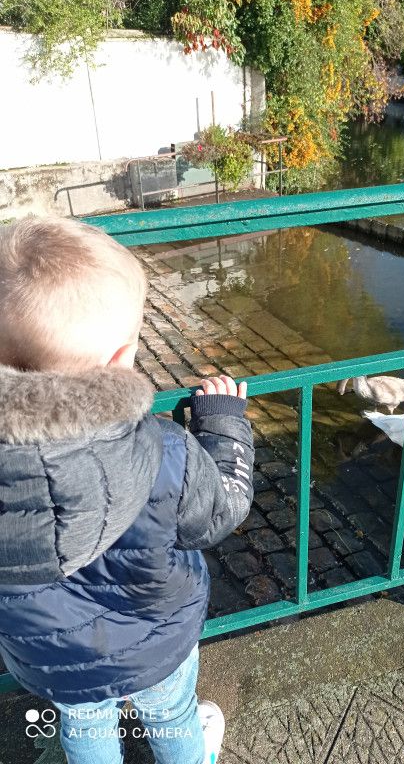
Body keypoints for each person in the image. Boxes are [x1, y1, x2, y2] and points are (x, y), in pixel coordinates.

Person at [0, 216, 255, 764]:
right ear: (120, 362)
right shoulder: (164, 450)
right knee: (170, 716)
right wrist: (223, 422)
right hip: (153, 641)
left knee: (84, 722)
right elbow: (223, 509)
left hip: (48, 655)